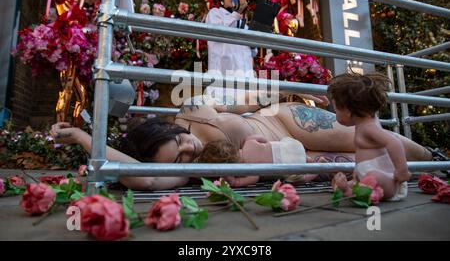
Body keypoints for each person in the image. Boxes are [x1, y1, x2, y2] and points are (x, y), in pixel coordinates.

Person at [51, 90, 434, 191]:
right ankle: (429, 169)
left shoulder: (191, 112)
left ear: (172, 129)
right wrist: (84, 136)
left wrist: (284, 91)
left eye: (182, 143)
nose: (191, 151)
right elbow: (145, 179)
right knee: (368, 163)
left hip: (285, 123)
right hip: (293, 160)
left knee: (370, 138)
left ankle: (435, 158)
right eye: (180, 160)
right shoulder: (187, 168)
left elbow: (241, 103)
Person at [328, 72, 410, 201]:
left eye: (336, 109)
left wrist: (401, 171)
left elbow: (394, 142)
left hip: (387, 182)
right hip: (367, 177)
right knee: (350, 181)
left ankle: (351, 191)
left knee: (373, 176)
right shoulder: (365, 124)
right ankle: (348, 188)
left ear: (349, 112)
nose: (335, 113)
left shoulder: (369, 127)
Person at [194, 135, 318, 187]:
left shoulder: (250, 168)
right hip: (290, 147)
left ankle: (317, 169)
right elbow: (262, 138)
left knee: (298, 180)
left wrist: (234, 182)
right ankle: (311, 160)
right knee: (304, 158)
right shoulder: (249, 142)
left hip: (289, 165)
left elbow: (255, 178)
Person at [205, 0, 255, 102]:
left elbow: (253, 53)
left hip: (243, 78)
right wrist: (237, 12)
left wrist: (254, 43)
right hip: (223, 75)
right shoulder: (215, 13)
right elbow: (221, 31)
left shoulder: (242, 22)